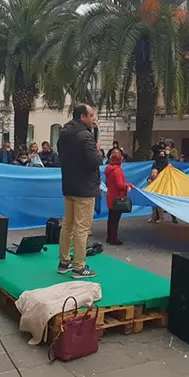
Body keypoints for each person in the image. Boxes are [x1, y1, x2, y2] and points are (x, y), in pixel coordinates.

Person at [57, 104, 102, 278]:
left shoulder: (63, 133)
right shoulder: (86, 136)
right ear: (83, 117)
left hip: (69, 185)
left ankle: (64, 262)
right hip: (85, 188)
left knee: (67, 225)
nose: (93, 119)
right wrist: (98, 150)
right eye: (91, 115)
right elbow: (93, 161)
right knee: (82, 228)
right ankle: (79, 267)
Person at [104, 152, 132, 245]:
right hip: (117, 198)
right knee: (115, 220)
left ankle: (109, 237)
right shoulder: (118, 170)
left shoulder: (108, 170)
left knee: (111, 218)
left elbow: (107, 184)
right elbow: (120, 185)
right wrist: (128, 186)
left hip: (110, 197)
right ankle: (113, 239)